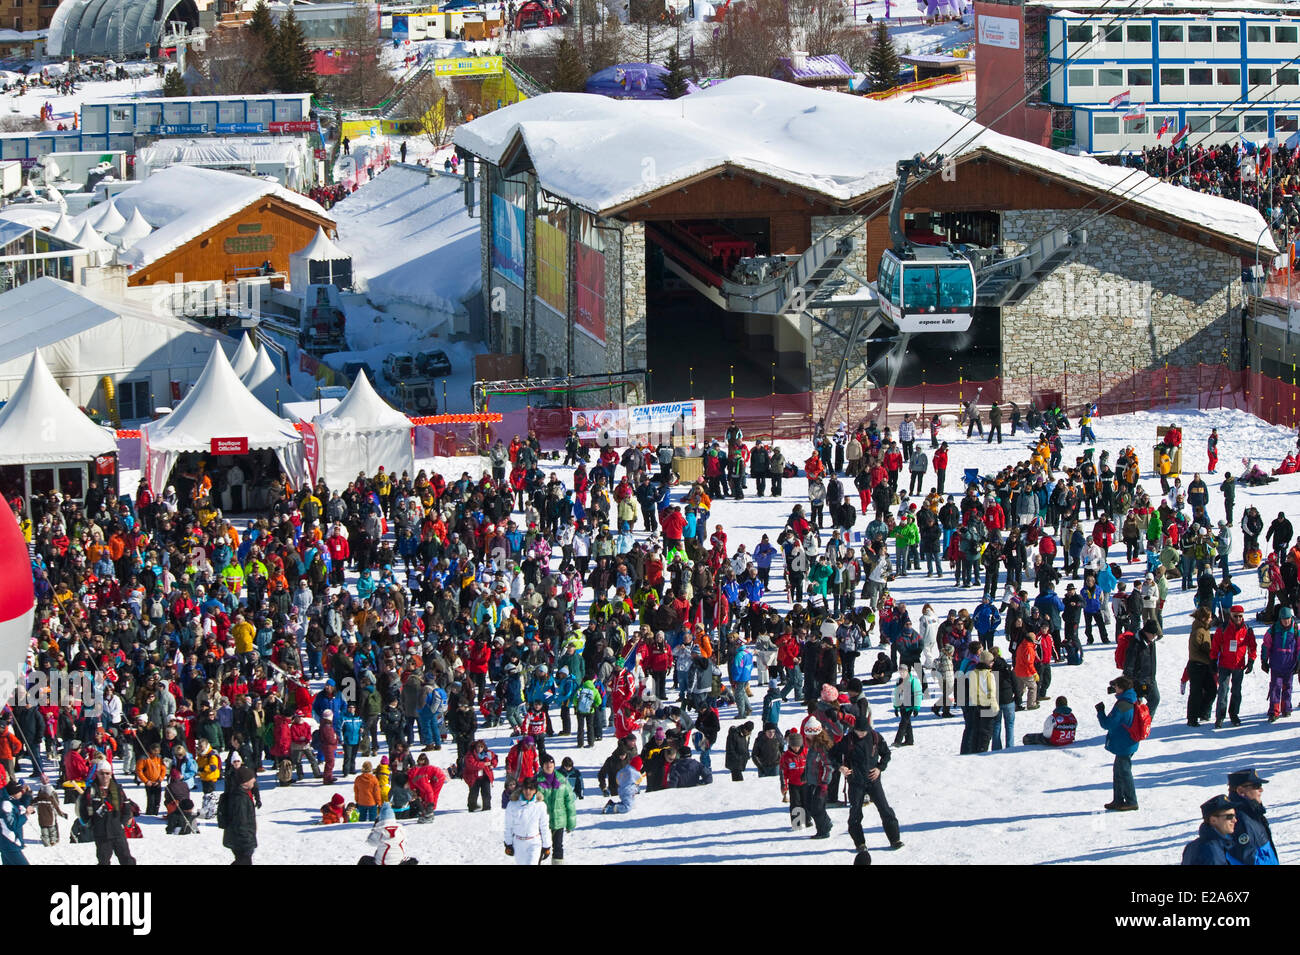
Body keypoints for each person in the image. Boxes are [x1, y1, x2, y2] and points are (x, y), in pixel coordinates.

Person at [833, 715, 903, 852]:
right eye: (860, 731)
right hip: (855, 781)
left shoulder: (875, 737)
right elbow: (832, 754)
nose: (862, 734)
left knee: (885, 809)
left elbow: (886, 754)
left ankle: (895, 839)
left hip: (873, 780)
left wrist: (880, 768)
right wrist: (840, 767)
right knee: (855, 814)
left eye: (864, 731)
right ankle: (860, 844)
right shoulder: (848, 740)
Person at [77, 761, 135, 865]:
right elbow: (83, 810)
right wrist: (92, 824)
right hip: (101, 833)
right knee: (103, 861)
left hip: (117, 831)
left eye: (107, 773)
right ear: (97, 773)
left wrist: (122, 823)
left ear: (111, 774)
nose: (104, 776)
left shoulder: (118, 790)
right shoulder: (91, 790)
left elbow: (126, 809)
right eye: (102, 773)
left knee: (126, 859)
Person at [1096, 676, 1140, 811]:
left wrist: (1100, 712)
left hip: (1124, 744)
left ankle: (1131, 801)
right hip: (1129, 741)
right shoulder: (1132, 698)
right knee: (1118, 771)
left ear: (1121, 688)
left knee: (1124, 772)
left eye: (1116, 686)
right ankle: (1118, 799)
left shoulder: (1122, 705)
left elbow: (1107, 724)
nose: (1114, 689)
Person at [1210, 604, 1256, 728]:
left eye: (1240, 616)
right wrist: (1213, 661)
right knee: (1223, 691)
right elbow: (1215, 645)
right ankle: (1220, 717)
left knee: (1236, 691)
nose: (1238, 618)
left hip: (1239, 666)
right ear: (1231, 616)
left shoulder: (1247, 630)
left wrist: (1251, 661)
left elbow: (1252, 647)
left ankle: (1234, 714)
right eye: (1235, 616)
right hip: (1225, 664)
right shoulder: (1223, 628)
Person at [1224, 768, 1278, 865]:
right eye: (1256, 786)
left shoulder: (1251, 814)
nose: (1261, 790)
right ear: (1240, 791)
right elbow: (1246, 860)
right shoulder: (1240, 820)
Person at [537, 754, 577, 864]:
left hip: (559, 820)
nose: (549, 765)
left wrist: (571, 823)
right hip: (542, 822)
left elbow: (569, 803)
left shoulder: (562, 780)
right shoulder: (536, 781)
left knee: (558, 847)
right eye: (546, 763)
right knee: (539, 847)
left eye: (551, 762)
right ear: (542, 766)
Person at [504, 775, 553, 864]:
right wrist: (508, 843)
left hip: (534, 842)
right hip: (518, 843)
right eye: (526, 788)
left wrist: (547, 845)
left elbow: (544, 826)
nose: (528, 791)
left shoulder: (540, 805)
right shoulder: (512, 805)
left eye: (531, 789)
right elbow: (508, 826)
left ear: (535, 791)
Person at [1180, 795, 1240, 865]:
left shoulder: (1192, 846)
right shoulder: (1212, 851)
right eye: (1229, 816)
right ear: (1213, 820)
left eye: (1235, 816)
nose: (1235, 820)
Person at [217, 765, 259, 864]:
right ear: (244, 782)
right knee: (243, 861)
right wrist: (247, 842)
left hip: (238, 839)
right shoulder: (240, 799)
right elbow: (241, 822)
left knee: (241, 861)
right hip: (241, 841)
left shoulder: (239, 794)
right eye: (251, 778)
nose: (254, 780)